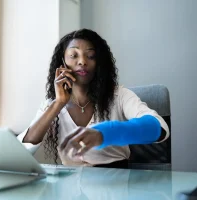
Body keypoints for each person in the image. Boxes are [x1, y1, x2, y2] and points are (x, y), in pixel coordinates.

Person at [17, 29, 169, 168]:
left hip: (115, 186)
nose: (82, 61)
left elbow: (160, 128)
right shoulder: (52, 105)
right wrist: (58, 103)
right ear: (62, 63)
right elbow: (22, 150)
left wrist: (104, 133)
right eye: (73, 55)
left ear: (99, 63)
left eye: (90, 56)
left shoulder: (120, 96)